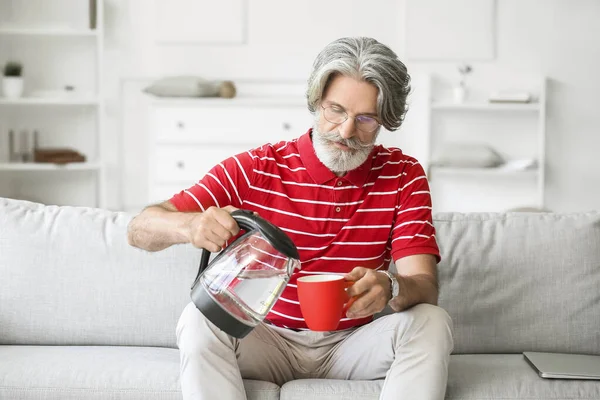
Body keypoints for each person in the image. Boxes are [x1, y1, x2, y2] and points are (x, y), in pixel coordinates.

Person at [128, 36, 453, 400]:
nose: (346, 131)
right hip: (263, 340)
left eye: (365, 118)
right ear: (317, 102)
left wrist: (391, 286)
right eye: (335, 110)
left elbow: (424, 285)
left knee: (432, 322)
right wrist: (188, 225)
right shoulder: (257, 168)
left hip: (352, 345)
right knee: (198, 317)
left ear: (385, 121)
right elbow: (140, 228)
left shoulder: (403, 175)